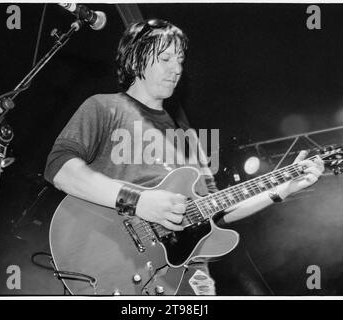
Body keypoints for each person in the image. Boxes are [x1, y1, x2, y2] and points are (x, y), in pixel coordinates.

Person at [44, 18, 325, 295]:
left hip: (178, 280)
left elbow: (217, 209)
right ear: (134, 58)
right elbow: (60, 170)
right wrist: (139, 201)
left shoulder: (188, 139)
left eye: (179, 60)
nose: (176, 69)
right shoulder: (104, 107)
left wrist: (282, 189)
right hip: (110, 257)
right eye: (165, 58)